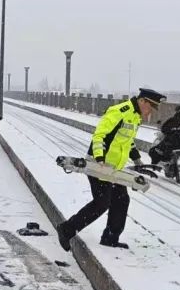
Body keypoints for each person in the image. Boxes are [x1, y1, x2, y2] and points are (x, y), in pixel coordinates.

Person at [57, 87, 164, 251]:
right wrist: (100, 158)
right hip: (98, 165)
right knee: (102, 203)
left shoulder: (135, 117)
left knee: (121, 200)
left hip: (114, 169)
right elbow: (100, 135)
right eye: (150, 107)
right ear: (142, 101)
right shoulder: (119, 111)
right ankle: (67, 229)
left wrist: (137, 160)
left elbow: (127, 142)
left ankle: (110, 238)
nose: (151, 111)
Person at [149, 104, 180, 168]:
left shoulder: (171, 121)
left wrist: (172, 132)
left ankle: (154, 166)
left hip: (171, 146)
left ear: (175, 111)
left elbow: (163, 129)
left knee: (153, 151)